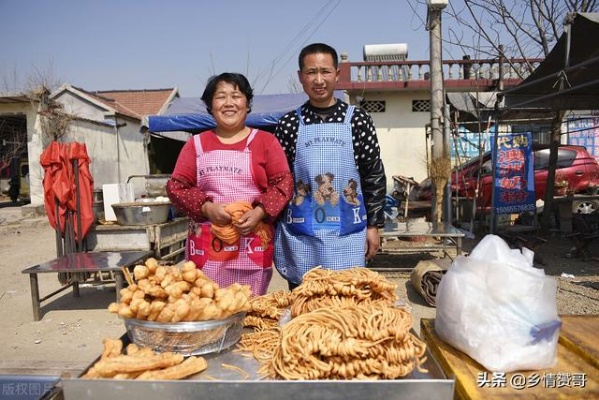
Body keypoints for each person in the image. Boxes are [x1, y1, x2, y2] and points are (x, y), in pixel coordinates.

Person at [166, 72, 293, 296]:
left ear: (247, 103)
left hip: (251, 244)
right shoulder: (196, 144)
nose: (229, 103)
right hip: (207, 245)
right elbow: (177, 187)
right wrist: (207, 208)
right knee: (207, 306)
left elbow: (283, 183)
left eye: (236, 96)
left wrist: (258, 212)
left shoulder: (265, 142)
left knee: (250, 310)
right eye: (220, 97)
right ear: (210, 105)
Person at [274, 43, 387, 290]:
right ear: (300, 77)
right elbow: (279, 182)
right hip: (302, 235)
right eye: (311, 72)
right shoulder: (289, 124)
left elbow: (373, 174)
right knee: (305, 306)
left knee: (346, 307)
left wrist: (374, 225)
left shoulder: (358, 119)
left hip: (347, 234)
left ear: (337, 74)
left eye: (325, 72)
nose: (319, 79)